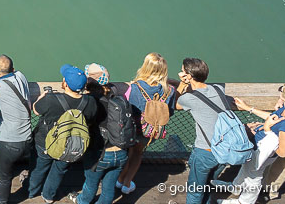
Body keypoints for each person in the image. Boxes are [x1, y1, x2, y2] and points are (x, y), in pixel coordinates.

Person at [28, 65, 98, 204]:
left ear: (65, 83)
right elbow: (89, 120)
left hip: (45, 143)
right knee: (59, 170)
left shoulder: (50, 99)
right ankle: (48, 196)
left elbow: (36, 110)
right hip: (72, 144)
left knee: (39, 167)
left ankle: (31, 192)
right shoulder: (90, 102)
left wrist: (41, 97)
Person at [116, 53, 175, 195]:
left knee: (127, 152)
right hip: (151, 129)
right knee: (137, 153)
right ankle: (127, 183)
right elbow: (170, 112)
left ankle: (119, 179)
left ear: (145, 67)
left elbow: (125, 107)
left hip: (132, 128)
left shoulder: (134, 87)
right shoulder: (170, 90)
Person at [176, 58, 231, 204]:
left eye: (183, 71)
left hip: (205, 152)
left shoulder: (190, 99)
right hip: (225, 150)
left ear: (188, 76)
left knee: (195, 191)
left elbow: (176, 103)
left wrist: (182, 83)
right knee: (207, 186)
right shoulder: (219, 89)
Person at [71, 69, 130, 204]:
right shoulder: (118, 98)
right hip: (121, 152)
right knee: (108, 189)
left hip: (101, 155)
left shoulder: (92, 102)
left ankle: (82, 201)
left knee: (91, 184)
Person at [0, 54, 33, 204]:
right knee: (3, 164)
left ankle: (2, 199)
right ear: (13, 68)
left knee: (5, 177)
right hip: (28, 140)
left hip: (8, 143)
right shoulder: (21, 76)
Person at [231, 90, 285, 204]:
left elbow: (282, 152)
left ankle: (245, 202)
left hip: (263, 151)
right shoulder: (283, 108)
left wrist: (267, 130)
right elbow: (272, 117)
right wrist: (248, 108)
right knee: (247, 167)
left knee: (254, 176)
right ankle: (236, 187)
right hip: (258, 146)